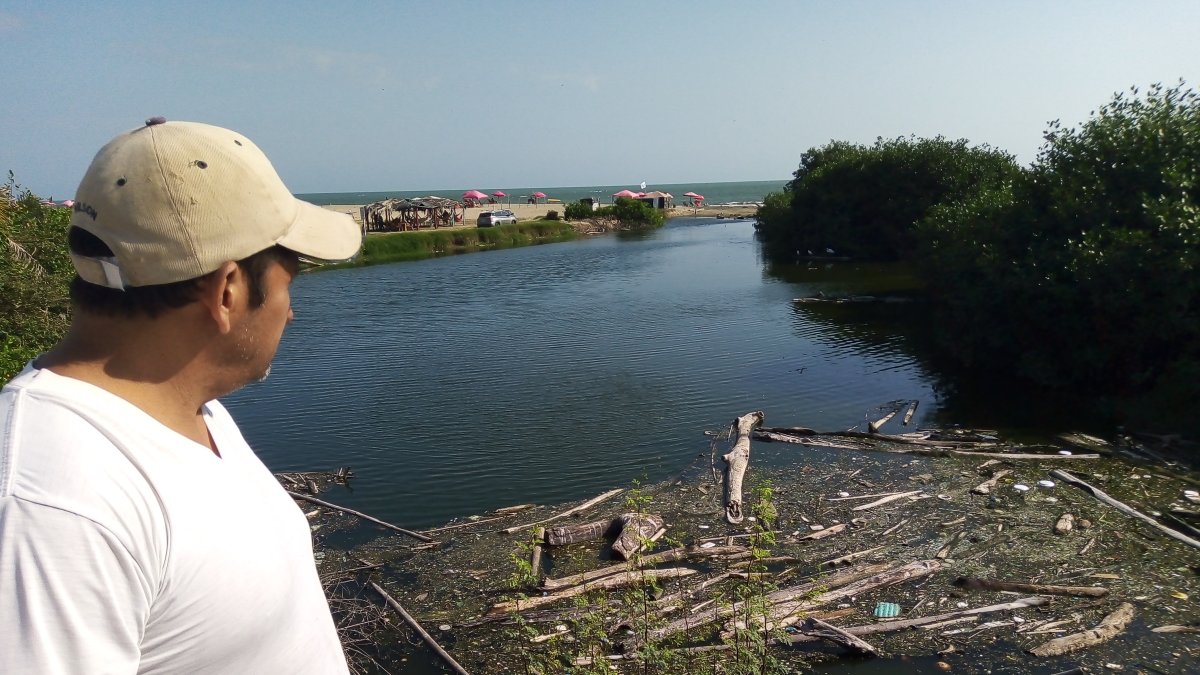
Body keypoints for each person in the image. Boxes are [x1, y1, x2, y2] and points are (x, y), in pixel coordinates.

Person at [0, 117, 362, 674]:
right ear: (228, 290)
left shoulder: (188, 406)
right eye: (292, 281)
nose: (291, 311)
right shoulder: (52, 505)